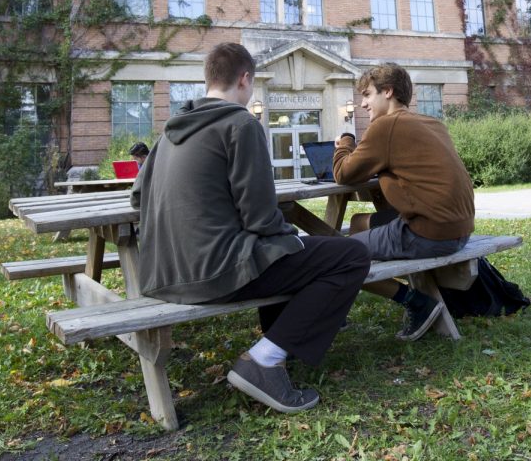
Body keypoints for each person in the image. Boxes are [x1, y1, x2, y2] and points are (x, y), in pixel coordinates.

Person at [130, 42, 370, 414]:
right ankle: (265, 360)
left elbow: (136, 199)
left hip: (162, 275)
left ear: (208, 78)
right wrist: (291, 236)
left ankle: (279, 346)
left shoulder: (167, 135)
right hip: (215, 272)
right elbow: (260, 217)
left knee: (296, 252)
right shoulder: (241, 124)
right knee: (351, 254)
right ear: (245, 80)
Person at [333, 63, 475, 342]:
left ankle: (417, 303)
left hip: (430, 234)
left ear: (388, 92)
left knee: (338, 254)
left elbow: (343, 174)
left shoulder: (385, 126)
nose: (363, 104)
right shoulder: (432, 123)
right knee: (357, 223)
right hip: (460, 230)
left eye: (367, 94)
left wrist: (345, 142)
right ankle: (340, 306)